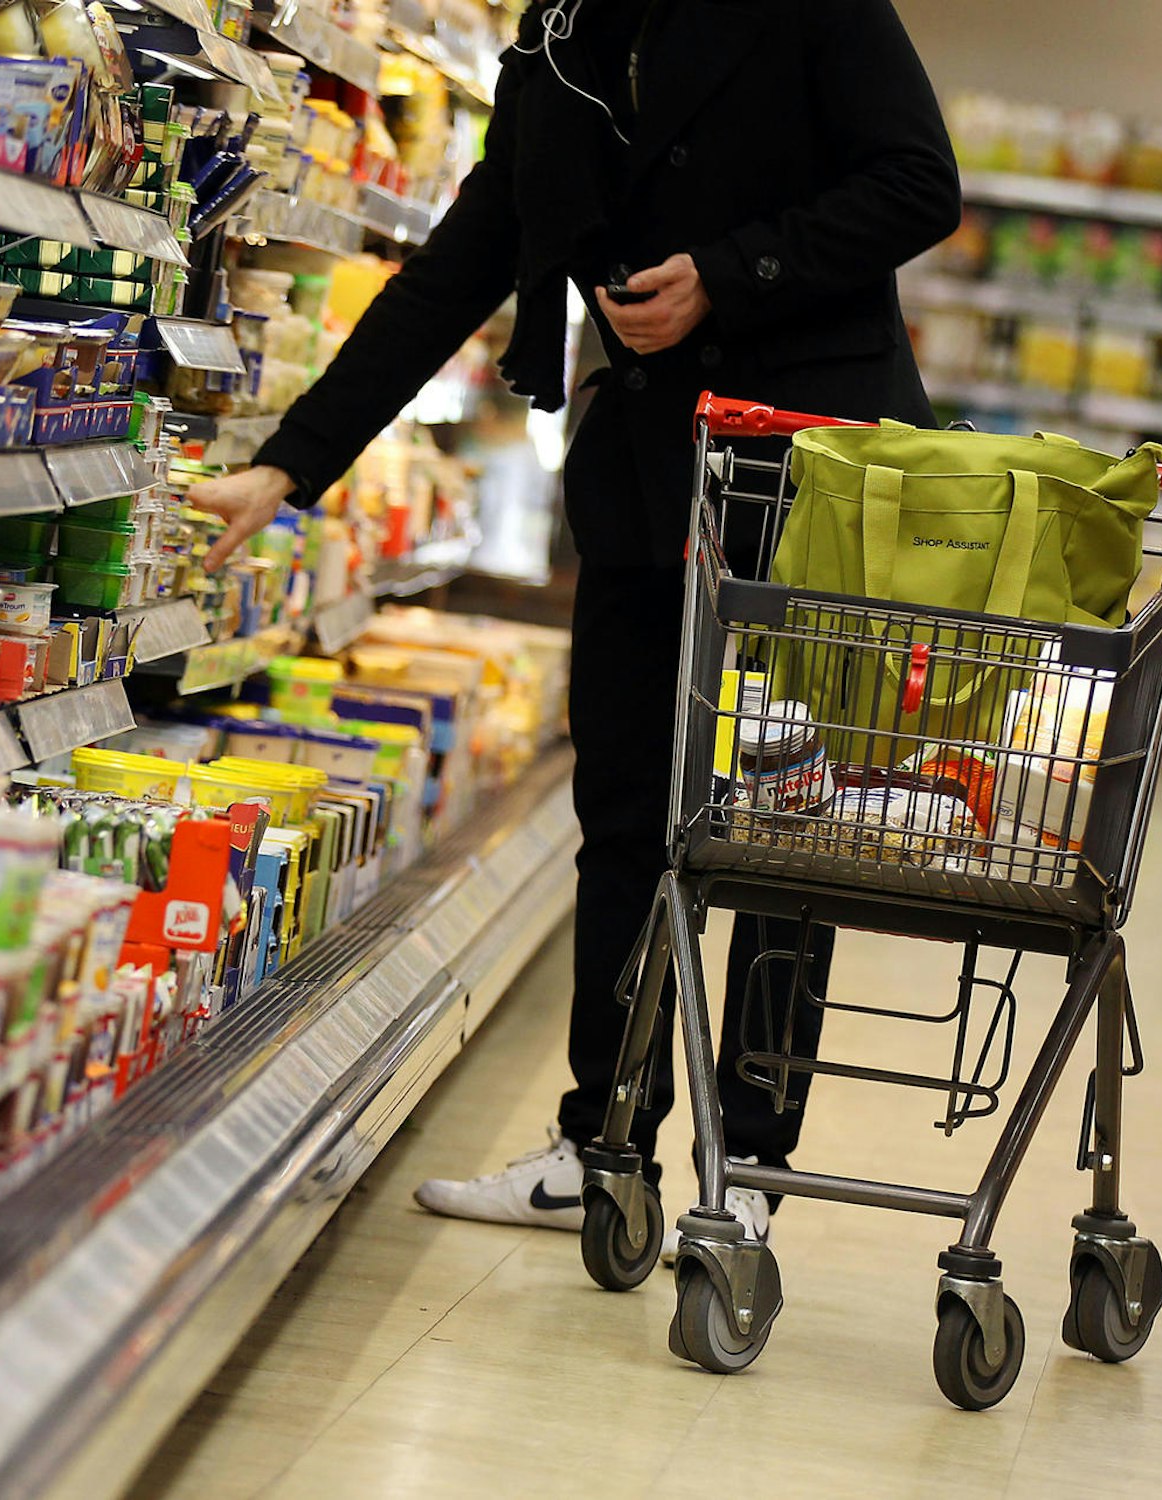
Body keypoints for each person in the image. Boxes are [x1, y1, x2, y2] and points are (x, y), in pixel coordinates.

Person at [190, 0, 962, 1252]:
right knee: (621, 817)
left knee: (778, 835)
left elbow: (917, 185)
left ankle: (753, 1169)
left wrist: (727, 274)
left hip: (807, 477)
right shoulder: (559, 44)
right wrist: (287, 467)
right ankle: (601, 1145)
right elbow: (459, 265)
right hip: (645, 484)